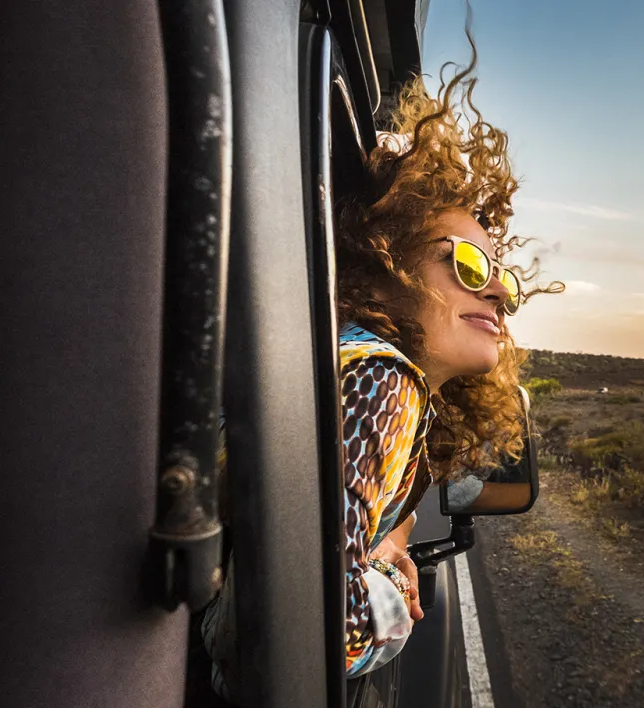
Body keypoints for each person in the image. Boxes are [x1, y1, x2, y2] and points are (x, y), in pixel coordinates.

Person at [198, 45, 561, 704]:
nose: (501, 294)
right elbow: (301, 626)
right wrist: (389, 597)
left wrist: (377, 547)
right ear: (384, 264)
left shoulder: (344, 368)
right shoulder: (384, 380)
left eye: (501, 278)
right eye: (471, 268)